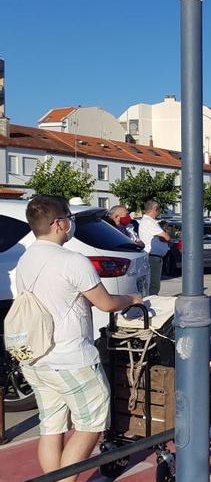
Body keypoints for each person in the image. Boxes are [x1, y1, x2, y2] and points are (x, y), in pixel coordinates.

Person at [16, 195, 142, 482]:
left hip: (36, 358)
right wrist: (132, 298)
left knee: (51, 427)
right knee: (90, 424)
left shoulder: (25, 260)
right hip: (72, 357)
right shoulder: (72, 261)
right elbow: (106, 303)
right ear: (60, 223)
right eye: (69, 219)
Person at [137, 200, 170, 295]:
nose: (159, 212)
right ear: (155, 209)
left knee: (153, 284)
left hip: (154, 256)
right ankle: (151, 304)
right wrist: (166, 235)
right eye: (158, 210)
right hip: (152, 256)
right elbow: (166, 237)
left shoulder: (150, 221)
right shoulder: (148, 221)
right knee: (154, 285)